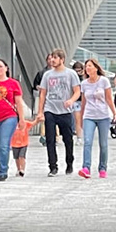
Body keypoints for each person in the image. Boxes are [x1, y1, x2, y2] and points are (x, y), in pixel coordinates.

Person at [37, 49, 80, 178]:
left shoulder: (71, 74)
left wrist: (71, 100)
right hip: (50, 109)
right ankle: (53, 166)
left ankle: (69, 162)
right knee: (50, 139)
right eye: (51, 58)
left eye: (55, 58)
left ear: (62, 59)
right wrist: (40, 111)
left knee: (68, 139)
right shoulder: (47, 75)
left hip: (65, 111)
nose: (52, 60)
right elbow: (43, 93)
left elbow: (77, 91)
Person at [77, 57, 115, 179]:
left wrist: (114, 113)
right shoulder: (84, 84)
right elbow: (83, 102)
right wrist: (81, 118)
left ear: (96, 68)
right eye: (86, 66)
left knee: (103, 144)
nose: (87, 68)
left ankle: (102, 168)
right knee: (87, 141)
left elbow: (109, 99)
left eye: (90, 66)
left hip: (103, 116)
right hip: (89, 116)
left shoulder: (104, 81)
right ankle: (86, 167)